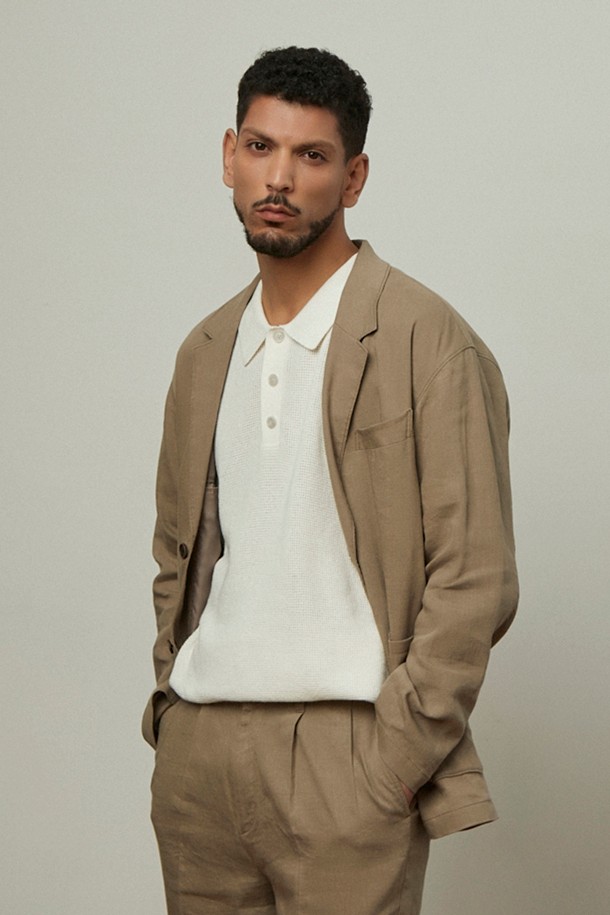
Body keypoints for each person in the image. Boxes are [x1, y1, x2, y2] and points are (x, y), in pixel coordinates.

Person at [143, 46, 519, 915]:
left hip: (349, 755)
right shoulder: (205, 351)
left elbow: (476, 575)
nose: (278, 178)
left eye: (310, 156)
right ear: (229, 155)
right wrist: (173, 715)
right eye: (261, 147)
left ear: (353, 177)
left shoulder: (427, 338)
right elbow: (176, 553)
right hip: (202, 758)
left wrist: (394, 761)